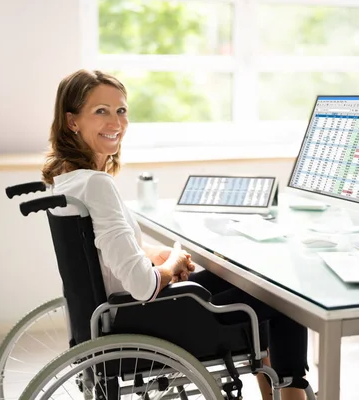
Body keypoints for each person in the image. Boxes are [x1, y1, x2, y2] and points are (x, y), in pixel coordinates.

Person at [42, 69, 309, 400]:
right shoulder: (97, 184)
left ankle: (278, 392)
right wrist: (167, 269)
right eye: (101, 111)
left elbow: (106, 253)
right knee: (283, 299)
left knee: (249, 280)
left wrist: (163, 257)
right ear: (72, 121)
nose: (116, 122)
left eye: (121, 111)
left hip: (109, 317)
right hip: (141, 319)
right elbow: (141, 285)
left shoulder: (69, 183)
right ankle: (292, 392)